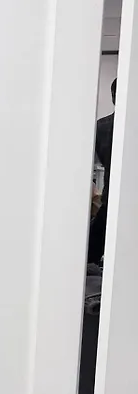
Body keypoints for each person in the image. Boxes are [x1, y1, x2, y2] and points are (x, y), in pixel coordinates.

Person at [87, 78, 117, 264]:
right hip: (112, 198)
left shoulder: (101, 126)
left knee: (92, 250)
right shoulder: (102, 127)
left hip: (110, 197)